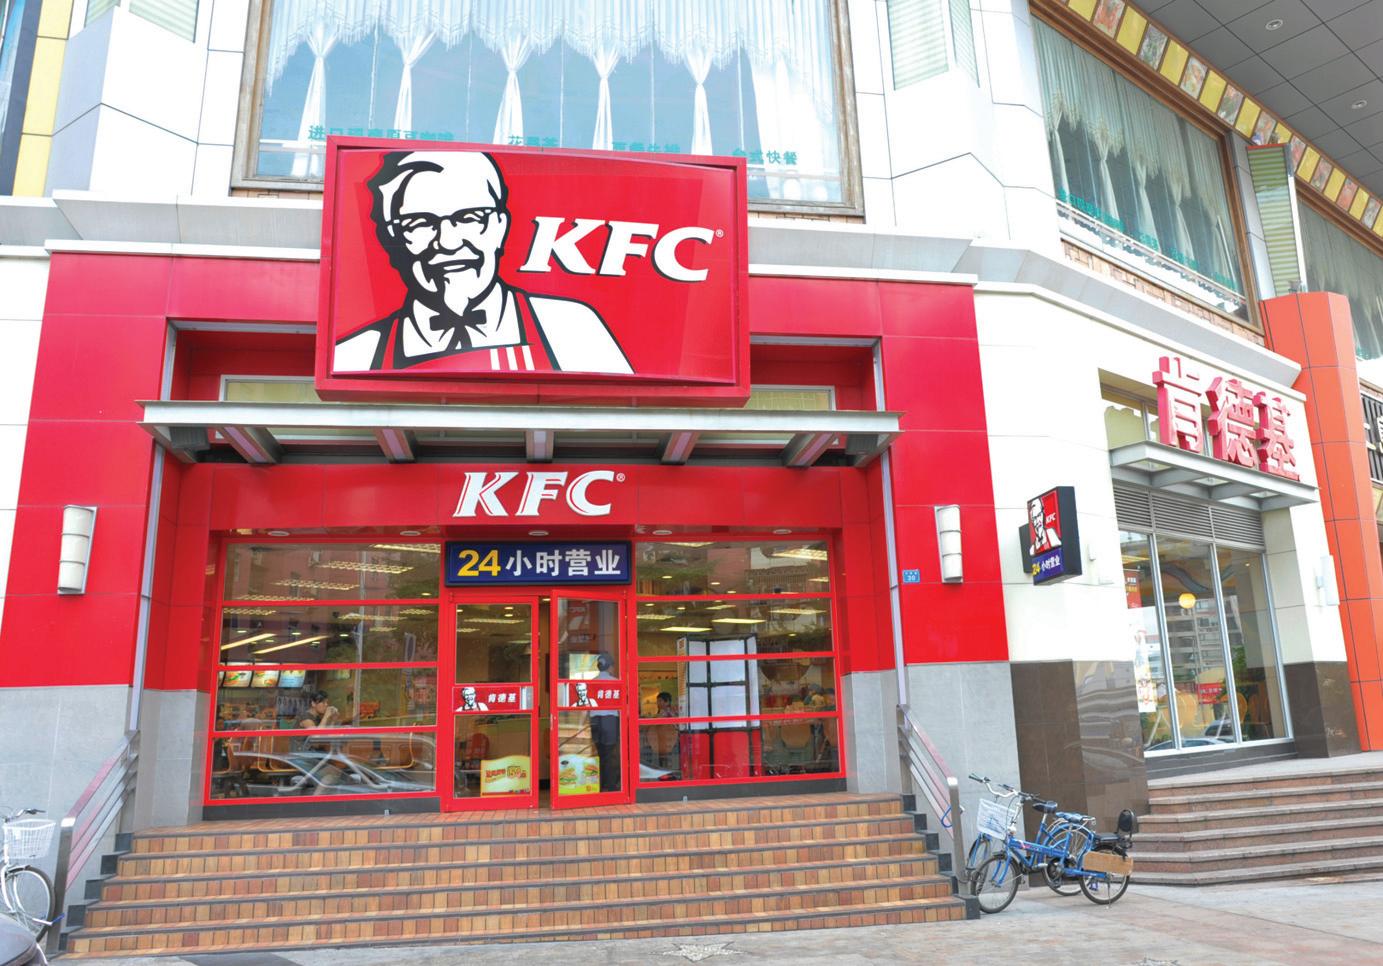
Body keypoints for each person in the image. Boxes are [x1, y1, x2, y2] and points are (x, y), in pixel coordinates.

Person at [334, 150, 633, 376]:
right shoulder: (357, 355)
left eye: (469, 218)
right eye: (421, 223)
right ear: (392, 237)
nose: (448, 242)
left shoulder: (571, 328)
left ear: (501, 226)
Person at [589, 653, 621, 792]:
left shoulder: (592, 682)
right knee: (610, 754)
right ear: (609, 667)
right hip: (610, 720)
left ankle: (600, 784)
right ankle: (611, 785)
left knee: (599, 753)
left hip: (594, 720)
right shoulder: (616, 682)